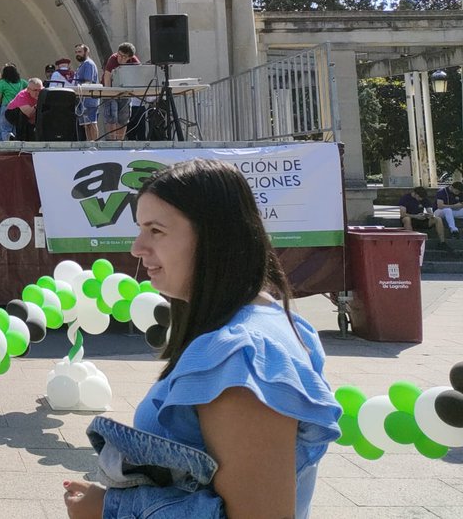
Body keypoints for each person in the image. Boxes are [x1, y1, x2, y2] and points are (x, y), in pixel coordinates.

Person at [62, 159, 340, 519]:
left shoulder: (240, 356)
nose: (137, 247)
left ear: (213, 238)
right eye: (140, 229)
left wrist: (109, 508)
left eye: (156, 230)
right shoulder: (269, 321)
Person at [100, 42, 140, 141]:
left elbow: (139, 74)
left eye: (124, 57)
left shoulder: (134, 61)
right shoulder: (113, 59)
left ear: (130, 57)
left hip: (124, 91)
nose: (120, 58)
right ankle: (113, 140)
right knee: (111, 116)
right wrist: (109, 93)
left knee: (123, 117)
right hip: (111, 90)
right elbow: (107, 76)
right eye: (119, 55)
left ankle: (120, 140)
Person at [73, 45, 100, 142]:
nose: (77, 54)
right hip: (81, 99)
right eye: (76, 52)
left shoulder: (88, 64)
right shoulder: (82, 65)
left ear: (86, 52)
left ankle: (94, 144)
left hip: (89, 99)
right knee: (85, 124)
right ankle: (89, 143)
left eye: (79, 52)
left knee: (92, 122)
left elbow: (88, 81)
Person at [5, 77, 43, 141]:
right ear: (28, 89)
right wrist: (39, 103)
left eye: (40, 90)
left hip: (30, 111)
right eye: (35, 90)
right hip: (12, 113)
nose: (38, 93)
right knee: (23, 117)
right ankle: (19, 139)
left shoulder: (43, 93)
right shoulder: (22, 96)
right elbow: (29, 114)